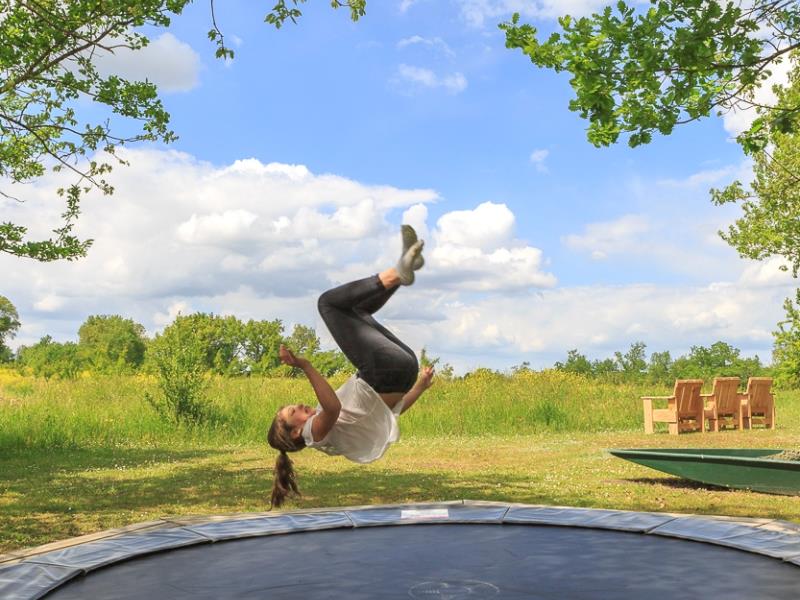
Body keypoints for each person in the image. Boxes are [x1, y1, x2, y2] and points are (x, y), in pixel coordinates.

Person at [267, 225, 436, 508]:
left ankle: (402, 270)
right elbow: (331, 407)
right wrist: (305, 366)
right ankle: (398, 273)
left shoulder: (336, 429)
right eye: (293, 412)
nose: (298, 405)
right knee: (328, 304)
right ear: (295, 432)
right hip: (383, 372)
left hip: (401, 370)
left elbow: (392, 411)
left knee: (355, 310)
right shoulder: (314, 434)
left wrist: (419, 385)